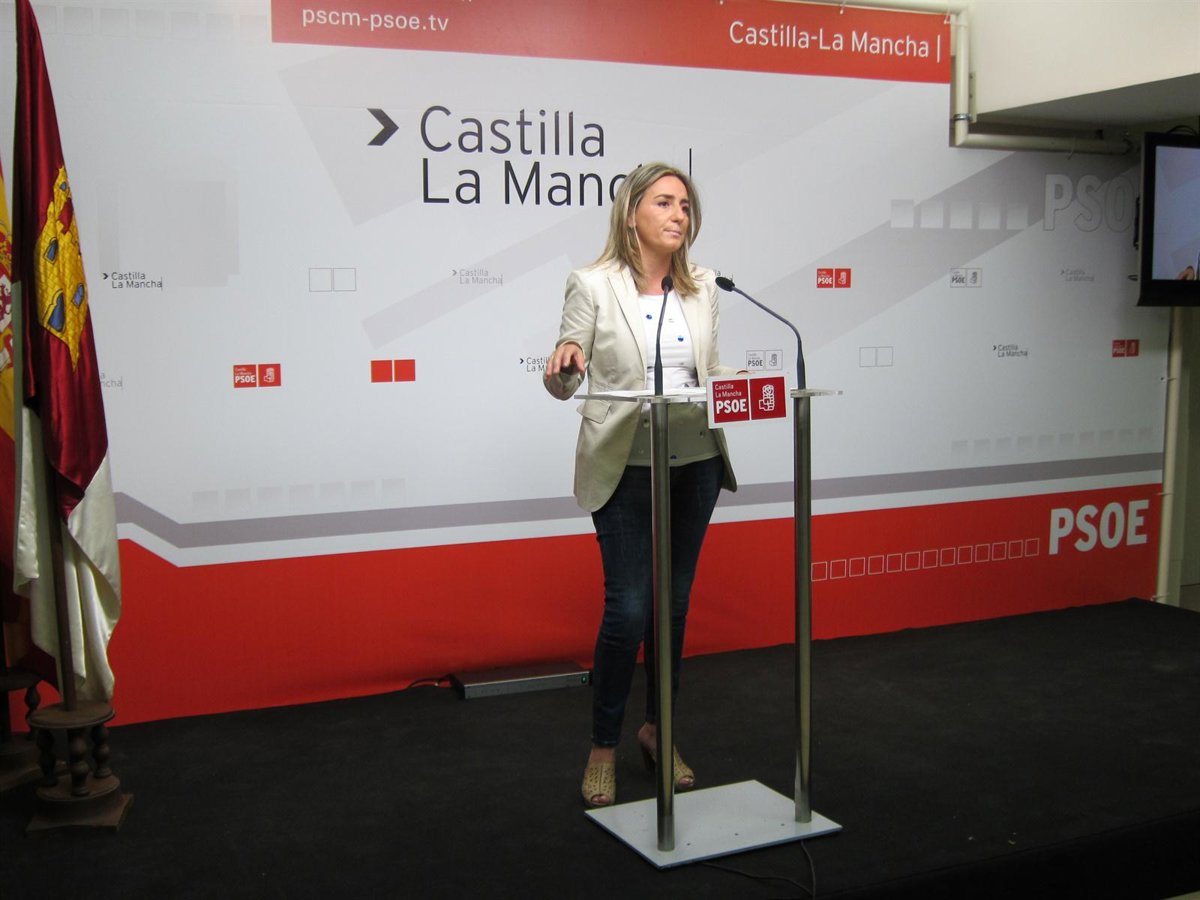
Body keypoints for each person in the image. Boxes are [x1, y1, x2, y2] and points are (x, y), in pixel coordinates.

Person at [543, 162, 740, 808]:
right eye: (664, 202)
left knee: (672, 606)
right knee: (629, 608)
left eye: (685, 204)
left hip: (694, 458)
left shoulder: (703, 287)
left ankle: (659, 730)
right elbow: (566, 370)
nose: (678, 214)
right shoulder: (592, 284)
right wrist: (563, 367)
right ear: (631, 214)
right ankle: (603, 746)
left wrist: (739, 384)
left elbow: (708, 371)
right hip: (625, 459)